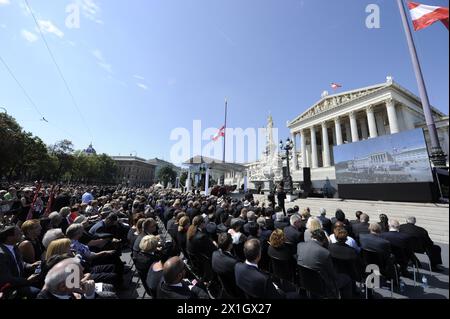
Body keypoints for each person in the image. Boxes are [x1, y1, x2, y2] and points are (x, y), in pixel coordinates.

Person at [297, 229, 352, 299]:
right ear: (323, 240)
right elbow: (333, 275)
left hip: (305, 282)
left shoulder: (300, 245)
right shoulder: (324, 253)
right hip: (323, 286)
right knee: (347, 278)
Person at [0, 225, 41, 298]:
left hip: (20, 281)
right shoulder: (2, 254)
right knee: (37, 293)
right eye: (19, 233)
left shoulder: (14, 247)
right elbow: (7, 279)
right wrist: (27, 280)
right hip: (9, 287)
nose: (22, 234)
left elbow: (21, 263)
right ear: (9, 238)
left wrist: (30, 265)